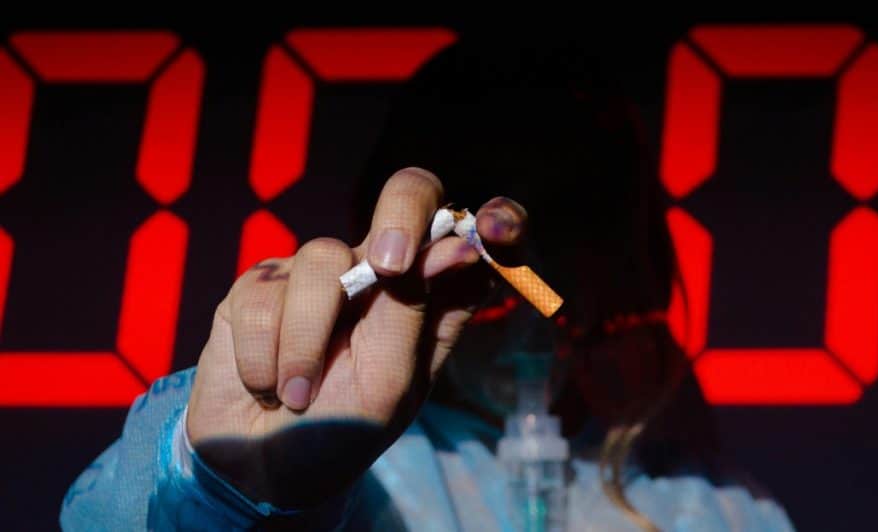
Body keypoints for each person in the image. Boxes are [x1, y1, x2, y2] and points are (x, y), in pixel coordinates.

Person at [60, 37, 795, 531]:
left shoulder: (719, 512)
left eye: (573, 233)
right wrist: (227, 488)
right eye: (499, 282)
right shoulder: (354, 471)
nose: (531, 323)